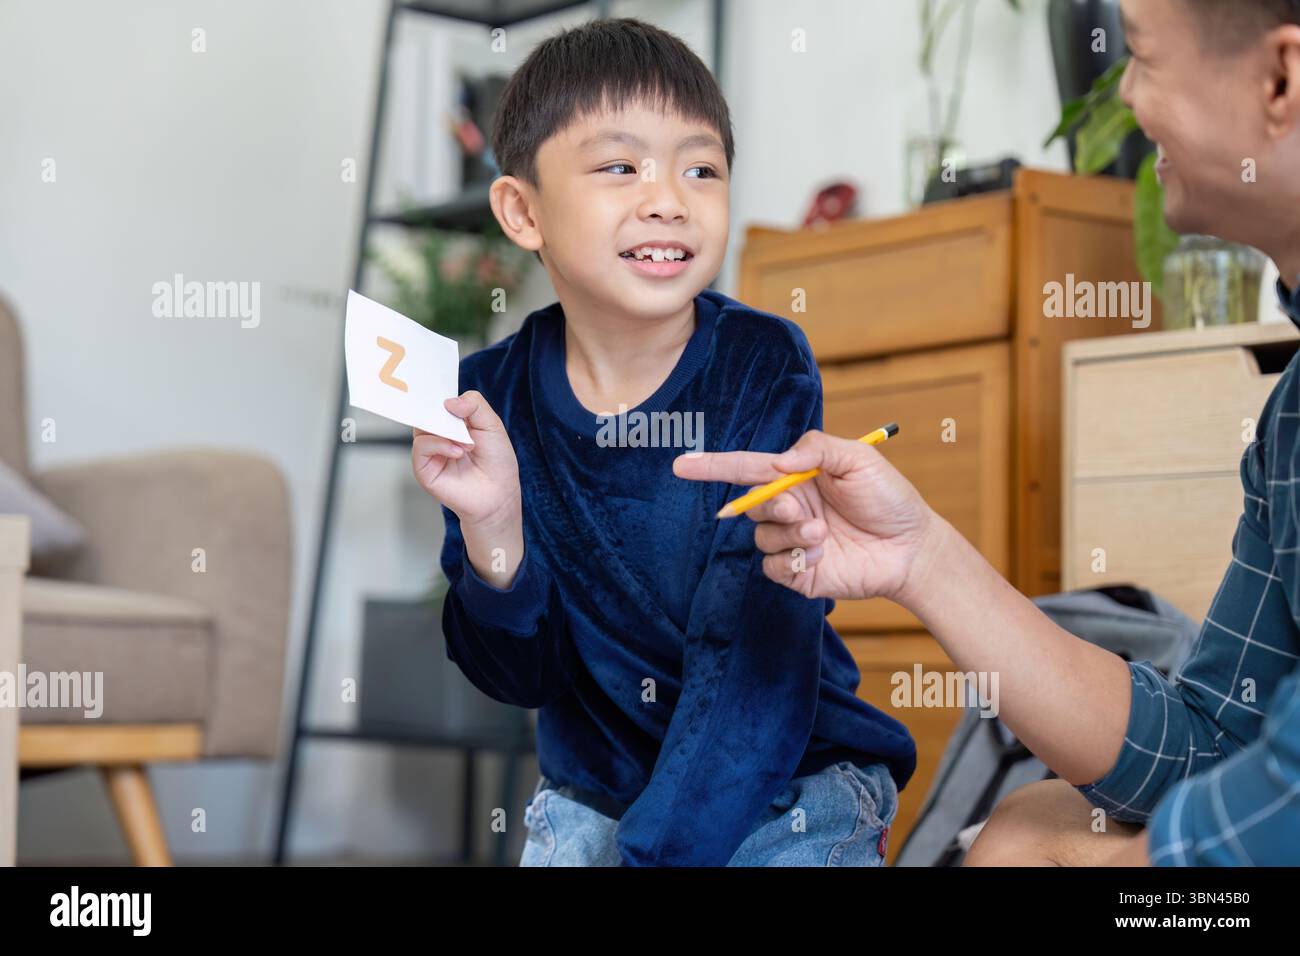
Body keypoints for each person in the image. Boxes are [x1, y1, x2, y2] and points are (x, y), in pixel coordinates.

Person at [675, 0, 1300, 866]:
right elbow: (1204, 744)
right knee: (1026, 826)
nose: (1127, 92)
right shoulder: (1291, 414)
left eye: (1145, 57)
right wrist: (920, 557)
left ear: (1281, 80)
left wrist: (1136, 871)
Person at [411, 18, 914, 867]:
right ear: (522, 210)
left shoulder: (760, 361)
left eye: (701, 169)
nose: (669, 198)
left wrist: (652, 857)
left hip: (786, 788)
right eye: (620, 166)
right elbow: (520, 677)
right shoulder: (488, 394)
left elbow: (751, 659)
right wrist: (494, 532)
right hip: (595, 799)